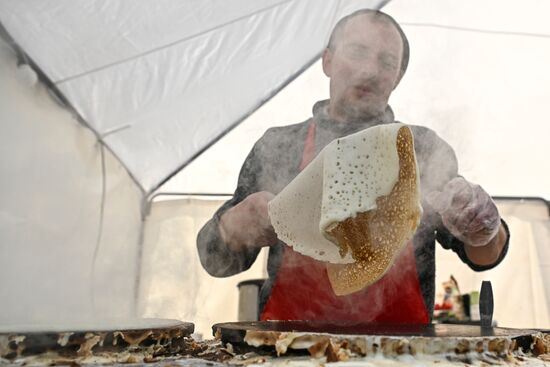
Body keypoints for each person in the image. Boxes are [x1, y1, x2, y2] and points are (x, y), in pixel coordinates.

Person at [197, 9, 509, 323]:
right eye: (357, 52)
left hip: (403, 352)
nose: (369, 71)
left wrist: (485, 227)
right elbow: (216, 261)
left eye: (386, 62)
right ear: (327, 61)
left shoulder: (423, 148)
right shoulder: (278, 146)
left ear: (397, 77)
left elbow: (483, 255)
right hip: (287, 347)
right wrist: (234, 226)